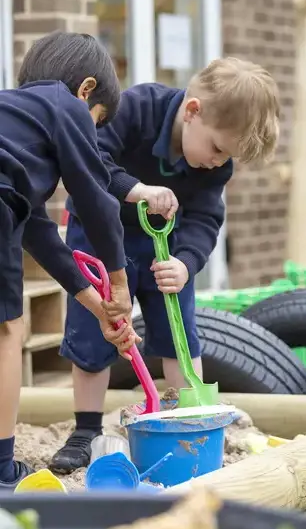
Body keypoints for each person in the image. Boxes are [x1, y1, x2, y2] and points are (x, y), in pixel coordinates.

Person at [50, 57, 281, 473]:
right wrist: (136, 190)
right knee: (94, 333)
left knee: (179, 331)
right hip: (99, 236)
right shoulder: (136, 108)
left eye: (225, 156)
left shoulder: (214, 164)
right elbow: (90, 160)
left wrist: (187, 263)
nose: (216, 162)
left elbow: (205, 217)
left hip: (164, 248)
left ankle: (190, 419)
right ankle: (85, 429)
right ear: (193, 111)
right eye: (216, 148)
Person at [0, 32, 138, 489]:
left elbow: (41, 235)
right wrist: (118, 284)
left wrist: (99, 309)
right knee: (7, 330)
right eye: (96, 123)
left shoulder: (16, 119)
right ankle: (1, 466)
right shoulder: (68, 105)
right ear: (86, 90)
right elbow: (96, 200)